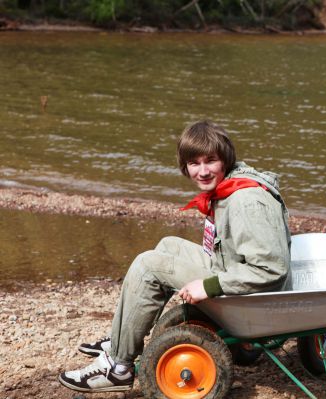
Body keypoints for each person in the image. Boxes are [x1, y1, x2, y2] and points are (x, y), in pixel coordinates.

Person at [58, 120, 291, 393]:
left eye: (211, 161)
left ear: (225, 159)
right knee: (168, 245)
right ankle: (124, 337)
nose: (202, 171)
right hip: (235, 272)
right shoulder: (230, 186)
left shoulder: (246, 201)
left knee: (148, 265)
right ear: (185, 166)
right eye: (194, 163)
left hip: (255, 300)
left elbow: (271, 270)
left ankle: (118, 367)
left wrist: (208, 285)